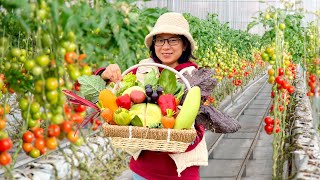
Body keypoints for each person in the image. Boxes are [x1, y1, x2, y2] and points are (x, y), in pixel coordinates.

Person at [95, 12, 208, 180]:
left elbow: (197, 127)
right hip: (143, 170)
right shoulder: (141, 69)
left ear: (184, 45)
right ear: (153, 44)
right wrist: (104, 74)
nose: (165, 47)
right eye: (160, 40)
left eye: (173, 40)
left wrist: (170, 139)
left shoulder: (194, 78)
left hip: (180, 172)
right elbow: (111, 93)